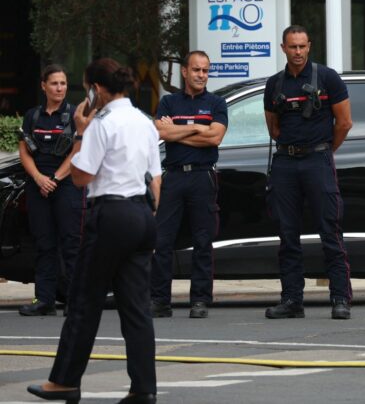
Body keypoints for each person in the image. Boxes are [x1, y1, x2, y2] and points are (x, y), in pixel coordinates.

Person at [27, 58, 162, 404]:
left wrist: (81, 131)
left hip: (111, 213)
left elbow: (81, 176)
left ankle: (65, 381)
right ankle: (143, 388)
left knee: (83, 301)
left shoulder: (102, 123)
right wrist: (150, 217)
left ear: (96, 89)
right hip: (141, 212)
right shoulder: (144, 121)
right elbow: (156, 177)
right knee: (136, 307)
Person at [263, 25, 353, 320]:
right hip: (286, 164)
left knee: (330, 231)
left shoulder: (328, 78)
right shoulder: (274, 84)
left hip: (318, 161)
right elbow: (274, 128)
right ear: (283, 48)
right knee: (287, 235)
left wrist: (325, 150)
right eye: (292, 47)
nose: (298, 52)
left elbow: (344, 123)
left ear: (309, 46)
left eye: (302, 46)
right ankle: (291, 300)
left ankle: (340, 298)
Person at [150, 50, 227, 319]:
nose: (202, 75)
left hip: (202, 177)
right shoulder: (169, 102)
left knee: (202, 240)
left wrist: (178, 132)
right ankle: (160, 300)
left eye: (205, 70)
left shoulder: (217, 103)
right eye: (196, 70)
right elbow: (160, 132)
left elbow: (214, 138)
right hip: (173, 177)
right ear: (185, 72)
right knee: (162, 240)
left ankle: (200, 301)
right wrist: (197, 128)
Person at [18, 64, 84, 316]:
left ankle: (74, 301)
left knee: (71, 244)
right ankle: (44, 300)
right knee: (44, 244)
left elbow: (78, 151)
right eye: (54, 83)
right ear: (43, 86)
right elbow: (24, 150)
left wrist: (54, 179)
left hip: (66, 185)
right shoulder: (32, 116)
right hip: (38, 187)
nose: (60, 88)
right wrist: (38, 178)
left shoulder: (75, 114)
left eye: (63, 83)